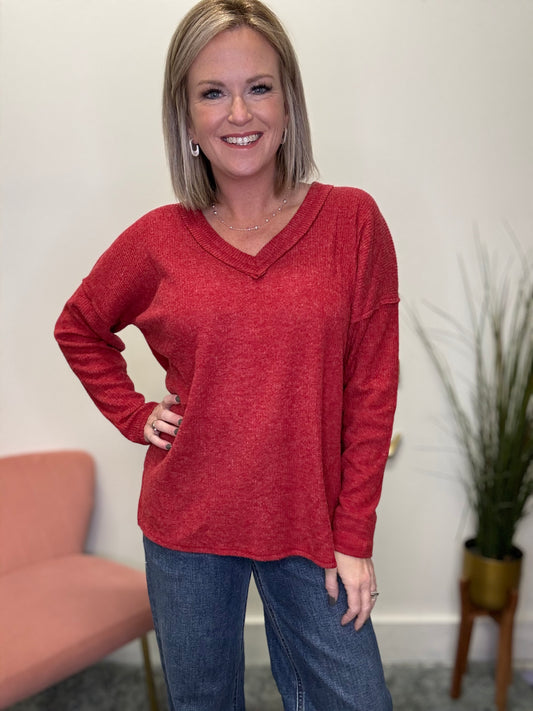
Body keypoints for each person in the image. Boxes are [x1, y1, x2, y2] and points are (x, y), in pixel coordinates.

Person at [54, 1, 398, 709]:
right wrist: (133, 412)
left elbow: (371, 388)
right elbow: (79, 326)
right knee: (202, 701)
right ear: (185, 119)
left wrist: (354, 534)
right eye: (212, 91)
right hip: (188, 522)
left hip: (311, 520)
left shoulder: (351, 222)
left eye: (259, 86)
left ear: (288, 101)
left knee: (355, 698)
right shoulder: (156, 239)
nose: (239, 112)